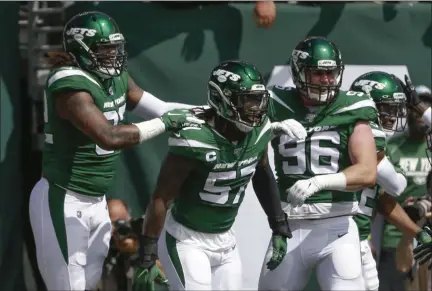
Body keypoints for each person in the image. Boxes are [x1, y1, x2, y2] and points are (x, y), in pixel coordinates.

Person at [28, 11, 204, 291]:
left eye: (115, 48)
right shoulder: (69, 83)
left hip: (97, 200)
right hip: (63, 198)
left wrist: (208, 114)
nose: (112, 55)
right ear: (80, 50)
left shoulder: (117, 78)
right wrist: (165, 124)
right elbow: (109, 136)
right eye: (104, 49)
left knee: (88, 284)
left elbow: (160, 108)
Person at [133, 60, 307, 291]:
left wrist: (278, 225)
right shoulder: (195, 139)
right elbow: (161, 198)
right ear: (221, 99)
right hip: (187, 240)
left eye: (257, 99)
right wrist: (148, 253)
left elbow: (262, 173)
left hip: (226, 241)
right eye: (245, 100)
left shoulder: (260, 130)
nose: (254, 108)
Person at [258, 36, 379, 290]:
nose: (326, 80)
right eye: (318, 73)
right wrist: (268, 131)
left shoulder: (354, 106)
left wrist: (320, 182)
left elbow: (367, 171)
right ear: (299, 72)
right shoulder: (275, 103)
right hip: (289, 224)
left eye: (331, 72)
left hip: (337, 226)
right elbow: (234, 135)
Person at [349, 71, 432, 291]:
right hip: (372, 236)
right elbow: (392, 189)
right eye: (384, 108)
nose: (392, 115)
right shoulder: (376, 143)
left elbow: (381, 196)